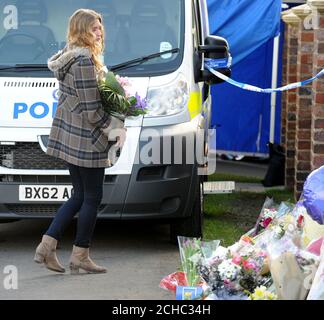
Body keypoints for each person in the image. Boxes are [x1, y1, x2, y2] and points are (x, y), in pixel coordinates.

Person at [34, 8, 125, 274]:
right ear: (81, 30)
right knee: (92, 196)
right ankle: (80, 255)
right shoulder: (84, 62)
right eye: (94, 28)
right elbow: (92, 111)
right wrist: (116, 127)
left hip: (73, 137)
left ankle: (47, 246)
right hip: (87, 139)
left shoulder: (69, 56)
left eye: (100, 28)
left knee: (80, 194)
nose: (99, 33)